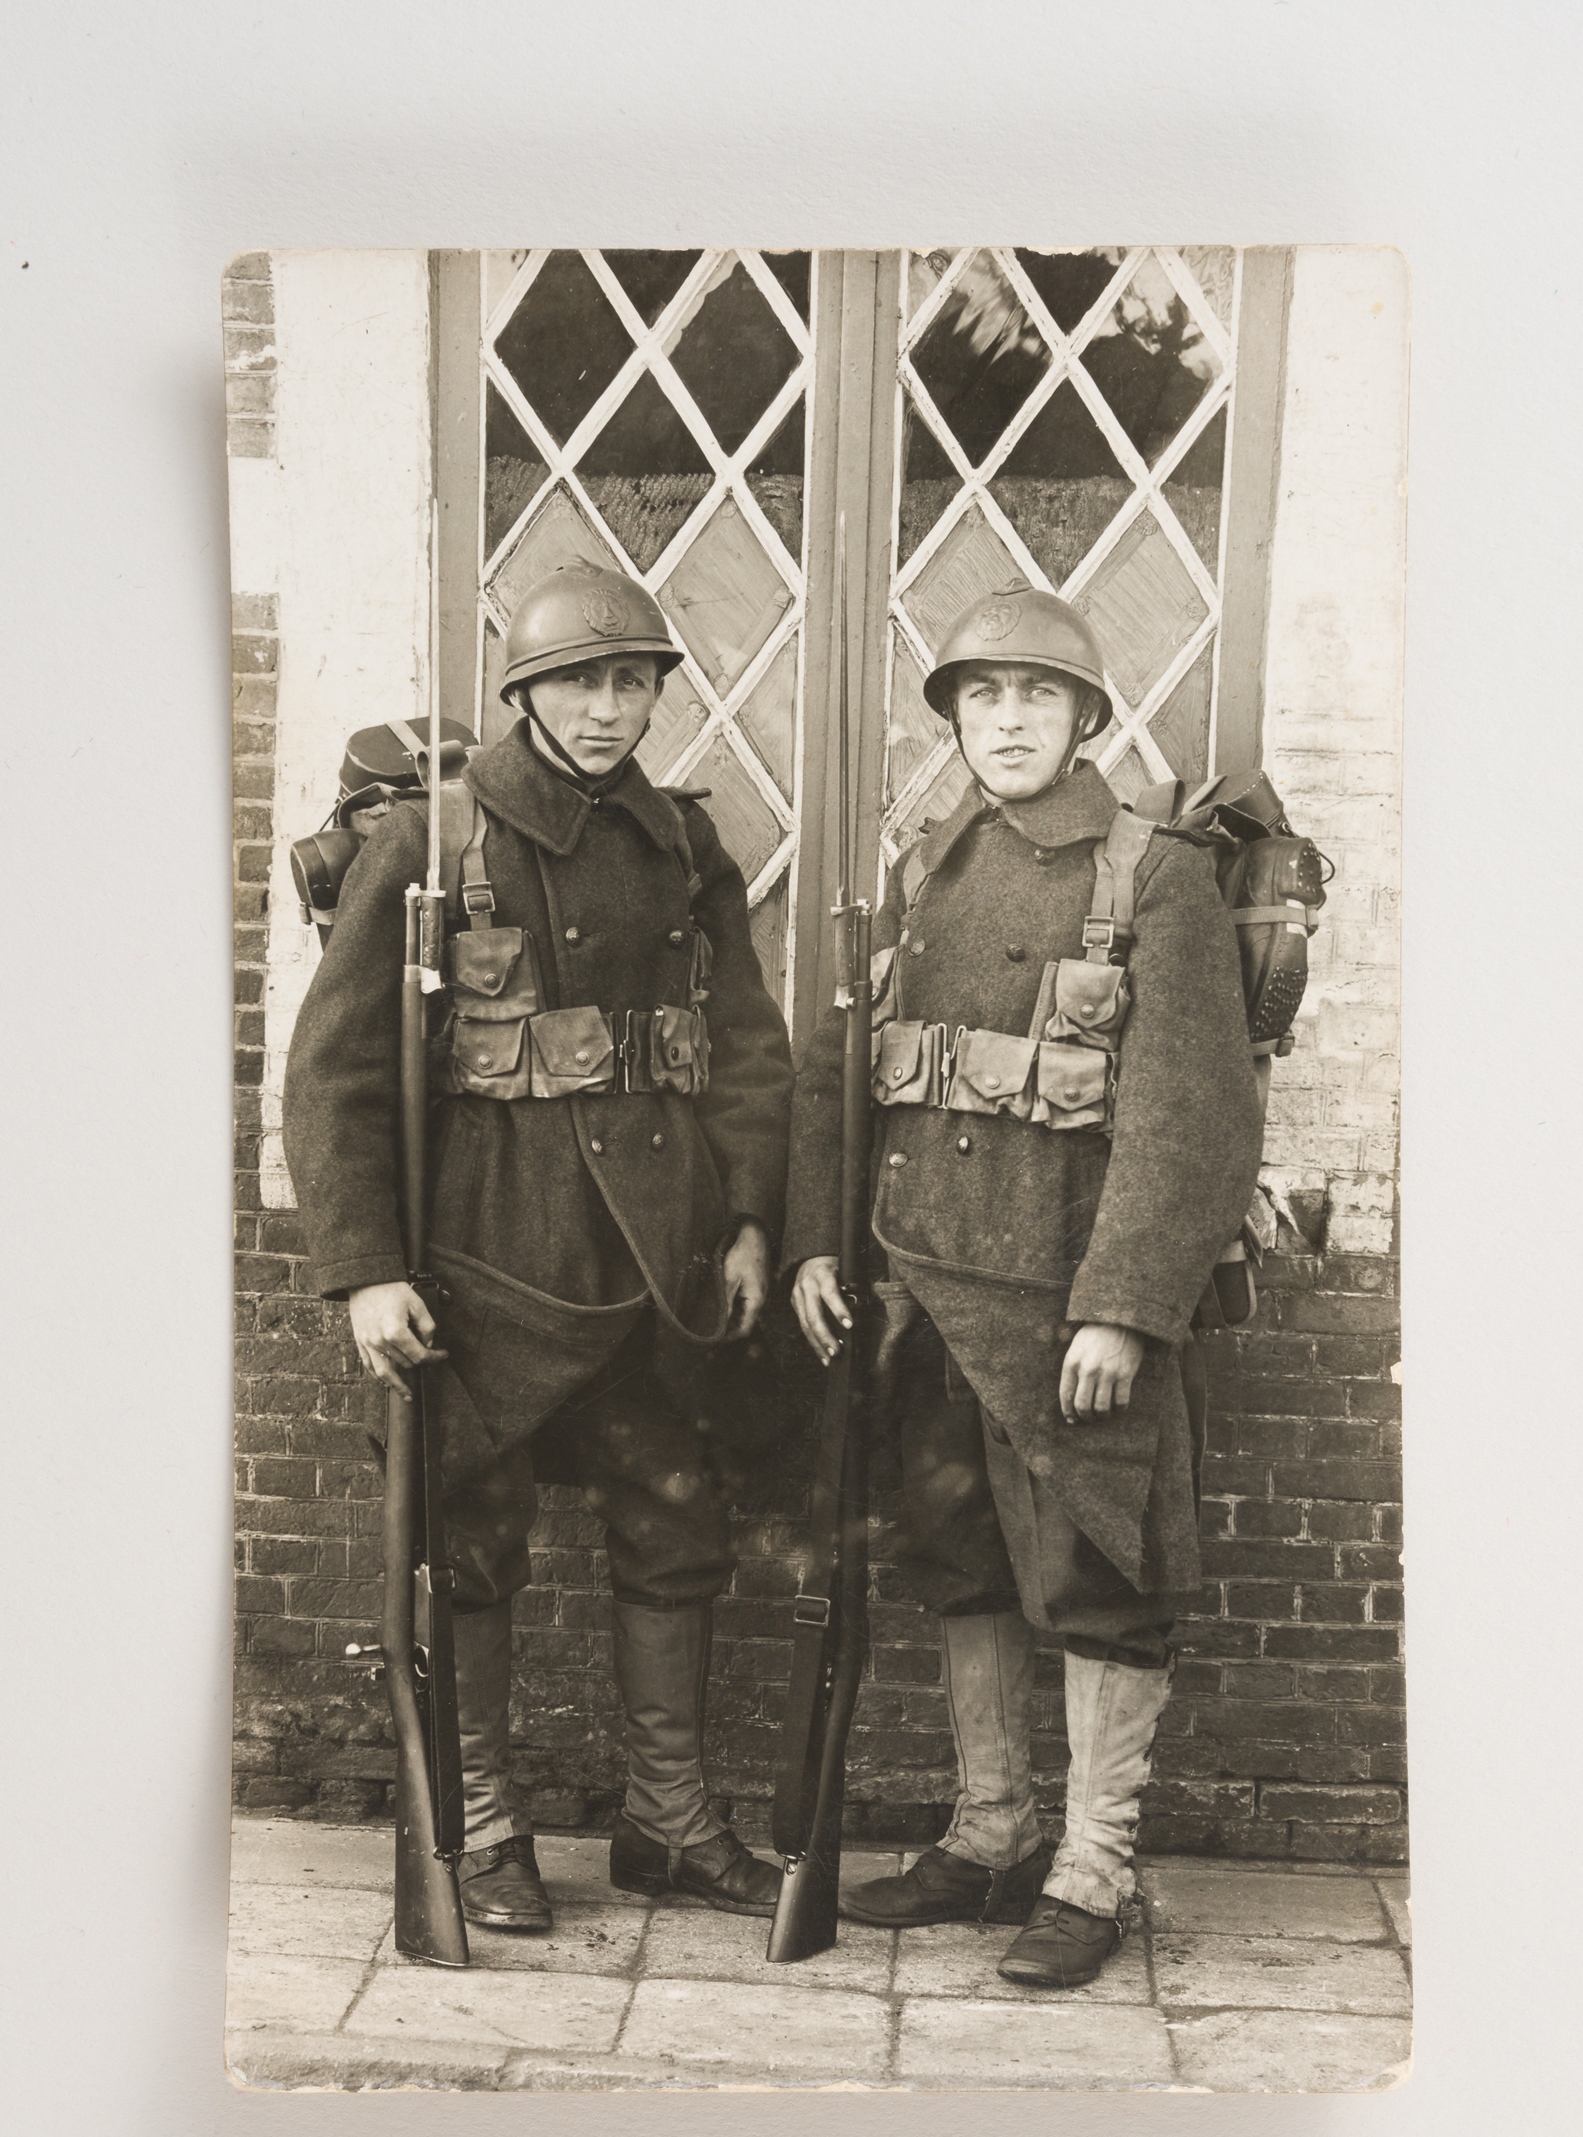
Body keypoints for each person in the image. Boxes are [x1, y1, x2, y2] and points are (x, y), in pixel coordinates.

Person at [284, 563, 794, 1932]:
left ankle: (669, 1821)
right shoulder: (432, 841)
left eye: (632, 682)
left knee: (675, 1524)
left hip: (659, 1255)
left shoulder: (685, 846)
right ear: (526, 693)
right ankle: (484, 1822)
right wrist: (365, 1270)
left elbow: (745, 1047)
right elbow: (334, 1075)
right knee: (469, 1536)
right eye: (578, 681)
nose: (608, 708)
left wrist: (752, 1219)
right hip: (485, 1256)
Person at [784, 589, 1263, 1986]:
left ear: (1083, 719)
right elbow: (847, 1072)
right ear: (954, 720)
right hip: (928, 1292)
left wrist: (1125, 1306)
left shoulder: (1151, 875)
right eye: (981, 698)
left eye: (1037, 697)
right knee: (964, 1561)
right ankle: (992, 1832)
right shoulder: (927, 863)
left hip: (1066, 1306)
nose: (1007, 723)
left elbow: (1190, 1119)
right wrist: (821, 1240)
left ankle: (1092, 1868)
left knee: (1102, 1577)